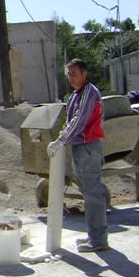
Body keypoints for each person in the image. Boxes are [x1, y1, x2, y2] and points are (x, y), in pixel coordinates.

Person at [47, 58, 109, 252]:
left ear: (84, 73)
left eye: (74, 73)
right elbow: (70, 121)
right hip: (80, 146)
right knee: (88, 192)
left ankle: (98, 240)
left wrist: (60, 141)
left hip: (88, 147)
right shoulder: (76, 94)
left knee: (93, 193)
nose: (70, 78)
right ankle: (94, 236)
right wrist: (63, 138)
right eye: (68, 74)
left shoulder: (89, 93)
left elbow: (79, 120)